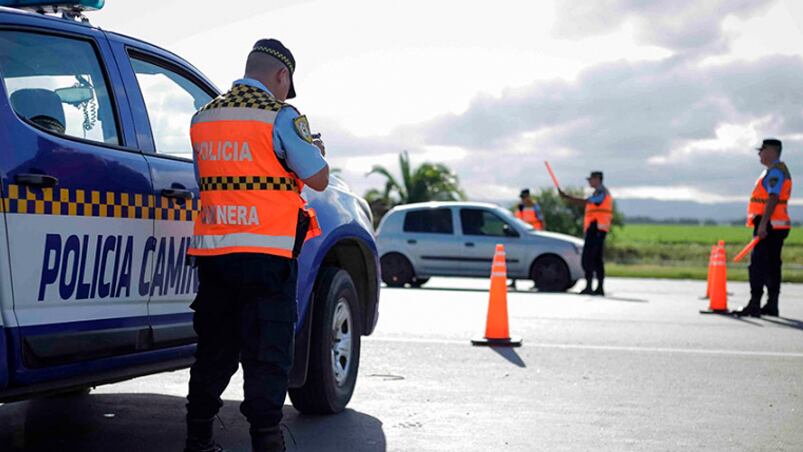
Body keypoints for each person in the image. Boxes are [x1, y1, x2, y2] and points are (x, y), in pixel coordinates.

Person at [184, 39, 329, 452]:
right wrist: (315, 149)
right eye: (287, 84)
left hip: (215, 256)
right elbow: (317, 177)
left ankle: (198, 441)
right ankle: (267, 443)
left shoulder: (203, 117)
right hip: (267, 257)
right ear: (281, 76)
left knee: (213, 351)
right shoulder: (279, 116)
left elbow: (206, 178)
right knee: (268, 354)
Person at [735, 138, 792, 318]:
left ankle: (755, 304)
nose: (759, 154)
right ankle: (771, 304)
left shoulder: (775, 172)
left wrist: (762, 224)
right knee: (772, 266)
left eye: (762, 150)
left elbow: (773, 197)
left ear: (771, 151)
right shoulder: (777, 171)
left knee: (758, 266)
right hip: (777, 224)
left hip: (768, 225)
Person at [559, 171, 613, 296]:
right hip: (594, 228)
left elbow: (587, 202)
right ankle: (593, 286)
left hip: (597, 229)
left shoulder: (602, 193)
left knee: (591, 258)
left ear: (598, 179)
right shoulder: (598, 192)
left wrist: (568, 197)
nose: (589, 181)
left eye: (591, 179)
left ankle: (596, 286)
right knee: (593, 259)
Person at [510, 188, 546, 290]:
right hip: (522, 236)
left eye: (524, 197)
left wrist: (543, 234)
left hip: (535, 236)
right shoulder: (520, 208)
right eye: (522, 198)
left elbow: (541, 220)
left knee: (535, 259)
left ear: (528, 197)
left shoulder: (535, 207)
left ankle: (537, 282)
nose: (523, 199)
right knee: (517, 257)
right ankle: (513, 280)